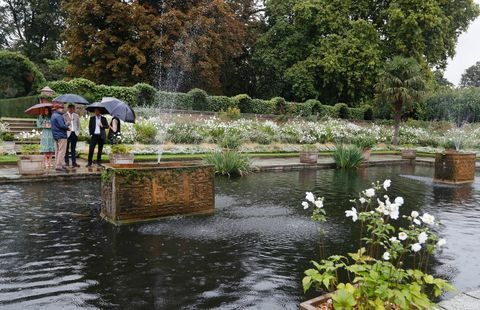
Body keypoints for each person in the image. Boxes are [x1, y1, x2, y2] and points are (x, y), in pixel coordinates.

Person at [50, 103, 70, 171]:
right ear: (58, 109)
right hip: (61, 136)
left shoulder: (53, 115)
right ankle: (58, 165)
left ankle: (61, 164)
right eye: (61, 108)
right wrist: (67, 124)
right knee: (62, 151)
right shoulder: (58, 116)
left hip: (56, 135)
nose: (62, 109)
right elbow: (62, 126)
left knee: (58, 151)